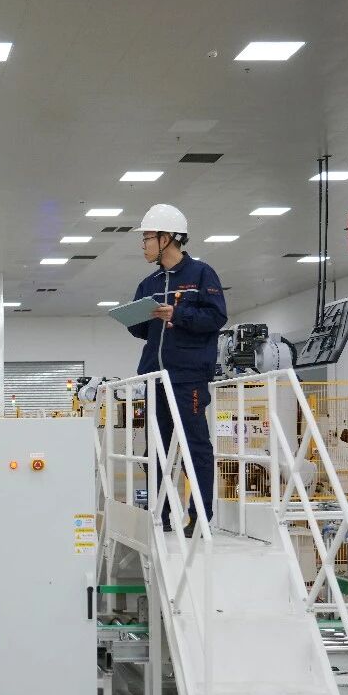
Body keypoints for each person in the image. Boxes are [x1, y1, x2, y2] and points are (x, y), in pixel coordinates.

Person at [126, 204, 227, 535]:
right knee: (155, 449)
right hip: (154, 378)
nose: (143, 245)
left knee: (194, 446)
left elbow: (216, 317)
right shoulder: (149, 283)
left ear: (167, 238)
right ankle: (161, 515)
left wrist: (178, 315)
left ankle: (199, 516)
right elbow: (141, 331)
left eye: (147, 238)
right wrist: (136, 318)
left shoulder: (201, 274)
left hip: (188, 378)